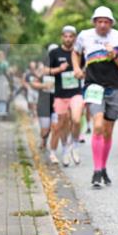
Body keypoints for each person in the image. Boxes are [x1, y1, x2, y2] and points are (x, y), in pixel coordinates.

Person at [72, 7, 118, 187]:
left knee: (107, 131)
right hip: (93, 85)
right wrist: (76, 67)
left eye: (106, 21)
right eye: (99, 21)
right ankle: (97, 171)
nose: (103, 24)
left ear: (111, 23)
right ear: (94, 22)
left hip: (114, 87)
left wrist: (114, 56)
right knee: (97, 125)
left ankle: (103, 167)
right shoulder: (84, 35)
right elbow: (75, 52)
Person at [47, 26, 84, 166]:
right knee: (62, 123)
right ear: (62, 37)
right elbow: (45, 70)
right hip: (60, 95)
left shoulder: (79, 53)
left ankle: (75, 145)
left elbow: (87, 68)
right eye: (66, 36)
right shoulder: (55, 53)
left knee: (76, 119)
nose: (68, 39)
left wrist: (82, 72)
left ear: (75, 38)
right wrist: (59, 69)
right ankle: (64, 149)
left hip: (76, 92)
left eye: (71, 36)